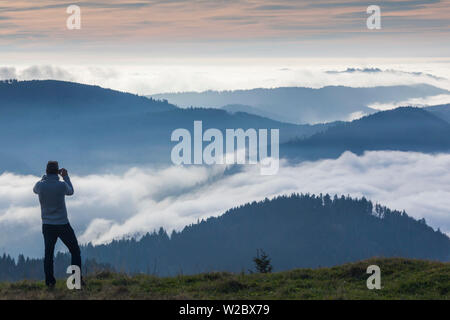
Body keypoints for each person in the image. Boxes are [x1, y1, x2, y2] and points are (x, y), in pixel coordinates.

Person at [33, 161, 81, 288]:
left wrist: (44, 177)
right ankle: (75, 282)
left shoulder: (40, 185)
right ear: (58, 171)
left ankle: (50, 282)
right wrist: (65, 176)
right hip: (63, 224)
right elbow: (71, 191)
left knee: (48, 254)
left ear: (46, 171)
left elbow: (34, 189)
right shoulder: (61, 185)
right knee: (75, 251)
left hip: (47, 225)